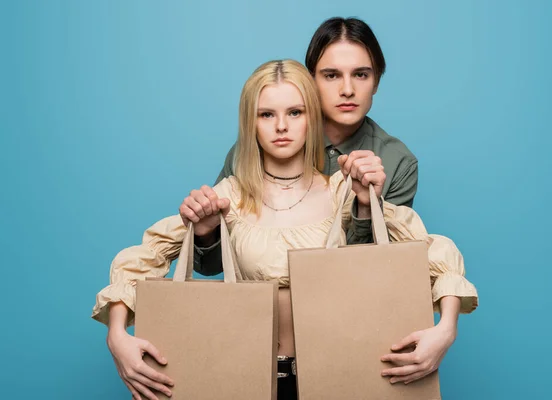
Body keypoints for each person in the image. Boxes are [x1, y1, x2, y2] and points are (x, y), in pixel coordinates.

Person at [92, 59, 479, 400]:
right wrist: (117, 336)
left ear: (312, 117)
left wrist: (445, 330)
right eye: (266, 115)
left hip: (341, 377)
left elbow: (434, 254)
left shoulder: (343, 191)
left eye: (295, 112)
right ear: (250, 122)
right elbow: (141, 259)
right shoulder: (228, 196)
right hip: (240, 379)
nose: (281, 126)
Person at [192, 16, 419, 276]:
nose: (347, 89)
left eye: (361, 74)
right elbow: (214, 264)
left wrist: (365, 209)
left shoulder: (397, 162)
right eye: (331, 75)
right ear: (310, 81)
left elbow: (382, 270)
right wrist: (206, 235)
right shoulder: (261, 146)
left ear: (376, 81)